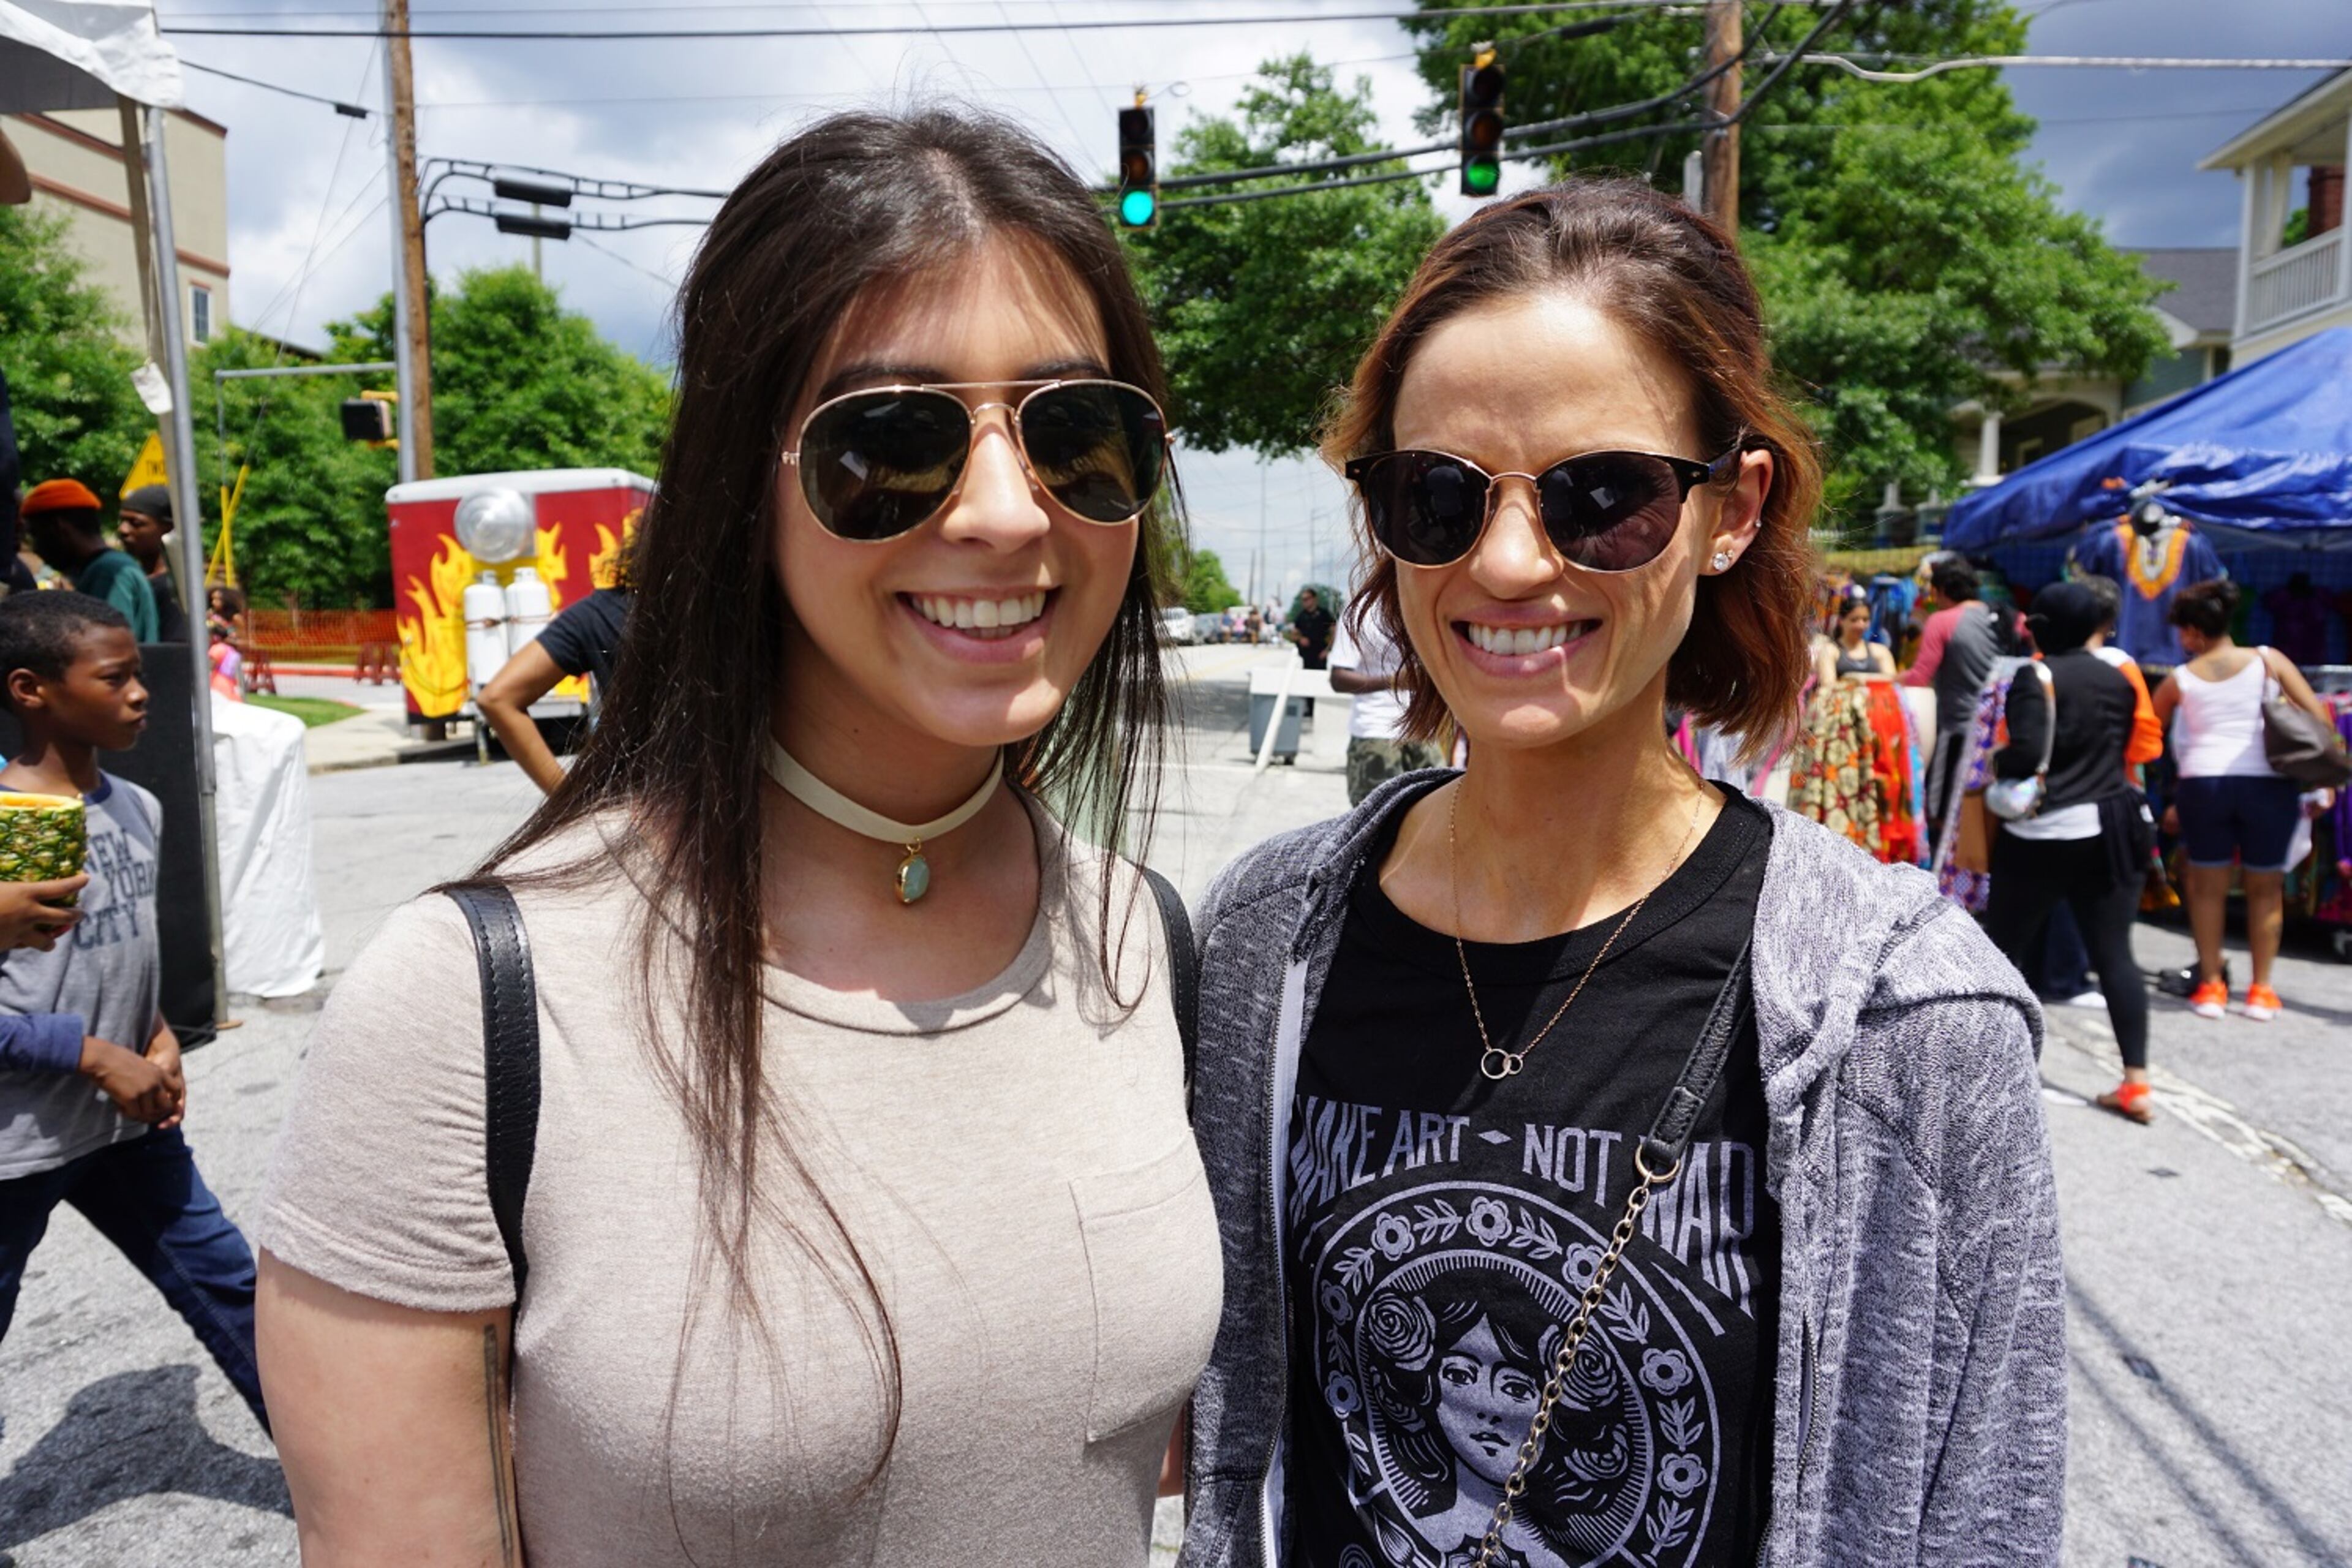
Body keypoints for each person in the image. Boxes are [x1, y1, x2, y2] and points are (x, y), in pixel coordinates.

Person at [255, 109, 1218, 1567]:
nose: (1011, 512)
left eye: (1077, 433)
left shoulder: (1143, 938)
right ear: (739, 486)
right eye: (890, 445)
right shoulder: (462, 1008)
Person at [1182, 179, 2064, 1568]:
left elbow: (1981, 1516)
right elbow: (1237, 1432)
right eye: (1438, 495)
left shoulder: (1911, 1022)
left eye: (1602, 494)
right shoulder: (1265, 941)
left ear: (1729, 509)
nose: (1511, 558)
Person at [0, 592, 268, 1429]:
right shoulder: (7, 819)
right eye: (113, 678)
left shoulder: (139, 807)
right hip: (16, 1143)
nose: (140, 693)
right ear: (30, 689)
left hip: (128, 1128)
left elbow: (122, 951)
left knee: (237, 1291)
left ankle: (358, 1497)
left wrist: (152, 1034)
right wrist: (88, 1054)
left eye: (140, 675)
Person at [1980, 581, 2155, 1123]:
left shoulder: (2037, 675)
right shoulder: (2119, 676)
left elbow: (2030, 751)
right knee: (2115, 956)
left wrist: (1999, 764)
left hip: (2045, 833)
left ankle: (1988, 1076)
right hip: (2112, 828)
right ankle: (2136, 1084)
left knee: (2002, 953)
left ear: (2045, 628)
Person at [2152, 579, 2338, 1022]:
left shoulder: (2180, 679)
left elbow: (2150, 733)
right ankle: (2262, 991)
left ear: (2194, 632)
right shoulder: (2269, 660)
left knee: (2206, 889)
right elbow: (2317, 716)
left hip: (2204, 786)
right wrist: (2323, 780)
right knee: (2266, 889)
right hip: (2267, 786)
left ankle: (2213, 985)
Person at [1787, 586, 1918, 862]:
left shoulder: (1880, 652)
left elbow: (1893, 685)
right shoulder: (1831, 652)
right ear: (1843, 622)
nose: (1860, 625)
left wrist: (1859, 684)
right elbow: (1830, 687)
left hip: (1877, 731)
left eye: (1864, 620)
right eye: (1854, 619)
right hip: (1845, 735)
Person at [476, 582, 633, 794]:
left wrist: (570, 802)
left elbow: (496, 699)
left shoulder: (602, 612)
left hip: (638, 807)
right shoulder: (689, 613)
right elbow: (496, 700)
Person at [1902, 556, 2003, 852]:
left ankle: (1942, 875)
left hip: (1958, 728)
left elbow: (1920, 676)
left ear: (1943, 589)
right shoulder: (1996, 615)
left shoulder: (1942, 621)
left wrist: (1887, 680)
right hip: (1996, 731)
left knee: (1943, 810)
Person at [1329, 595, 1444, 805]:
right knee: (1377, 825)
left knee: (1436, 819)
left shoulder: (1426, 601)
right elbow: (1339, 678)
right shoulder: (1362, 610)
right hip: (1377, 731)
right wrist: (1393, 682)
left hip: (1422, 730)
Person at [17, 480, 160, 642]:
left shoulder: (108, 574)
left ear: (58, 528)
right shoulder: (101, 568)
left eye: (36, 535)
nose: (36, 549)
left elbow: (107, 645)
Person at [115, 483, 192, 643]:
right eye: (121, 521)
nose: (123, 530)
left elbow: (175, 652)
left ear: (168, 528)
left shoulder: (174, 588)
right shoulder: (134, 579)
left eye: (136, 523)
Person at [1287, 586, 1335, 719]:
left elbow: (1334, 633)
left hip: (1321, 653)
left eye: (1307, 599)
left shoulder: (1324, 614)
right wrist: (1300, 639)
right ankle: (1310, 709)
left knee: (1321, 682)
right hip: (1307, 654)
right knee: (1307, 681)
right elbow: (1294, 635)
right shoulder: (1302, 616)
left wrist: (1328, 650)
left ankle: (1320, 709)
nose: (1305, 602)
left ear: (1314, 599)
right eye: (1303, 600)